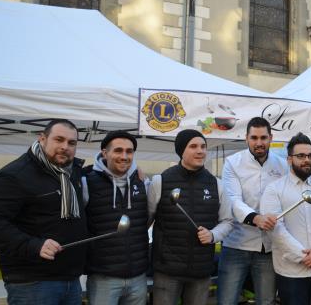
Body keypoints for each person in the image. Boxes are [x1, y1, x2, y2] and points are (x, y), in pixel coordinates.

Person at [0, 119, 88, 304]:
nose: (65, 146)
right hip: (33, 283)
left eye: (71, 143)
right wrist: (34, 245)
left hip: (71, 279)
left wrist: (133, 171)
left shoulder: (70, 172)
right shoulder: (15, 175)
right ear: (42, 139)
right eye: (58, 139)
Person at [147, 129, 233, 305]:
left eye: (203, 146)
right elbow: (146, 221)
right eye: (193, 146)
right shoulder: (160, 181)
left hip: (201, 271)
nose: (200, 151)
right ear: (181, 151)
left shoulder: (217, 184)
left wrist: (213, 235)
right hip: (166, 271)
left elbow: (228, 221)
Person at [260, 132, 311, 305]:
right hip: (291, 271)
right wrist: (303, 256)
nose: (306, 159)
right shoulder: (274, 189)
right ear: (289, 159)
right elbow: (275, 229)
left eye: (310, 155)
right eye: (301, 156)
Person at [218, 117, 288, 305]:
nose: (259, 143)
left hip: (268, 248)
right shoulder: (232, 162)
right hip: (236, 245)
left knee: (266, 301)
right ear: (246, 138)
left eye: (263, 137)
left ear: (271, 138)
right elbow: (232, 199)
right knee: (226, 300)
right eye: (254, 138)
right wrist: (255, 218)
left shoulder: (282, 165)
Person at [82, 131, 149, 305]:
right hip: (103, 278)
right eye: (118, 150)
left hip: (138, 277)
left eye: (129, 151)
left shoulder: (143, 182)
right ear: (105, 153)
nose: (124, 156)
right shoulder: (86, 182)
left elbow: (148, 218)